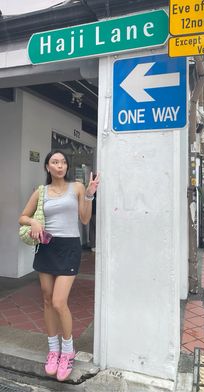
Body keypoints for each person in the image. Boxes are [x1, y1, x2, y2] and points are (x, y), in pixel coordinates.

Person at [19, 150, 99, 382]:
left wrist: (90, 194)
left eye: (63, 162)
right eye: (55, 162)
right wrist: (33, 220)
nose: (60, 165)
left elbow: (84, 219)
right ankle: (53, 350)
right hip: (47, 246)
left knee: (58, 301)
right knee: (46, 298)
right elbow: (22, 217)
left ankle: (68, 351)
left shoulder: (77, 188)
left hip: (69, 248)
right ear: (47, 167)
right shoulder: (41, 191)